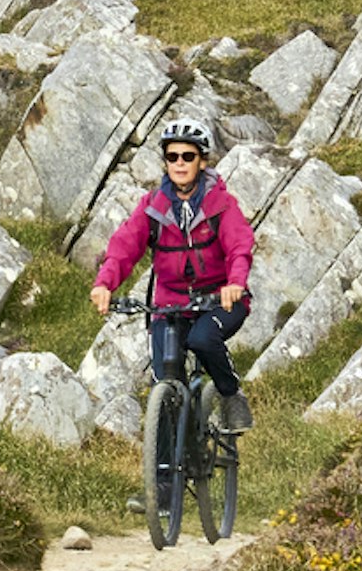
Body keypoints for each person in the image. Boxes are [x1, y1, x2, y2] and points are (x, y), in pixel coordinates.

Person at [90, 115, 254, 431]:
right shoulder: (153, 206)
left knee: (203, 339)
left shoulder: (222, 205)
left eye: (188, 156)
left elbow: (239, 246)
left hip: (220, 301)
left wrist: (235, 283)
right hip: (170, 304)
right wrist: (104, 284)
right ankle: (166, 473)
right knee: (164, 379)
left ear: (202, 161)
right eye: (172, 157)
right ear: (165, 162)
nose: (179, 163)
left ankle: (231, 396)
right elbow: (124, 247)